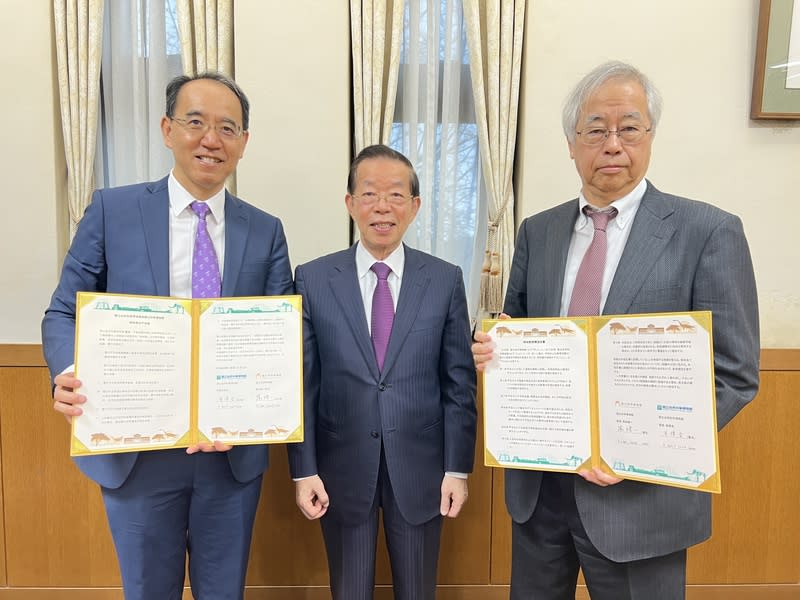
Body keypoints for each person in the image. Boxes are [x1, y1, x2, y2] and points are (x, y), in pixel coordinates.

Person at [472, 61, 759, 600]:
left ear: (650, 136)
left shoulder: (708, 231)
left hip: (641, 502)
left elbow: (735, 374)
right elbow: (513, 328)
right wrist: (495, 350)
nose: (612, 144)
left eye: (629, 127)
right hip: (541, 489)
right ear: (572, 143)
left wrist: (639, 451)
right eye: (595, 130)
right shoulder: (540, 231)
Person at [41, 72, 293, 600]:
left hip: (229, 455)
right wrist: (67, 374)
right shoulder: (113, 209)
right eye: (195, 122)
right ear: (166, 128)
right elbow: (63, 310)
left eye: (228, 128)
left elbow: (279, 335)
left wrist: (252, 411)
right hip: (138, 453)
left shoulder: (265, 230)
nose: (211, 139)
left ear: (243, 143)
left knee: (223, 592)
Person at [287, 144, 477, 599]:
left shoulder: (445, 278)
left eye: (395, 195)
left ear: (414, 206)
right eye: (369, 194)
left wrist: (458, 468)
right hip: (339, 468)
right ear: (350, 203)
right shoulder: (312, 279)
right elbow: (303, 383)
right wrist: (303, 469)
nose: (382, 207)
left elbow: (458, 384)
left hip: (422, 470)